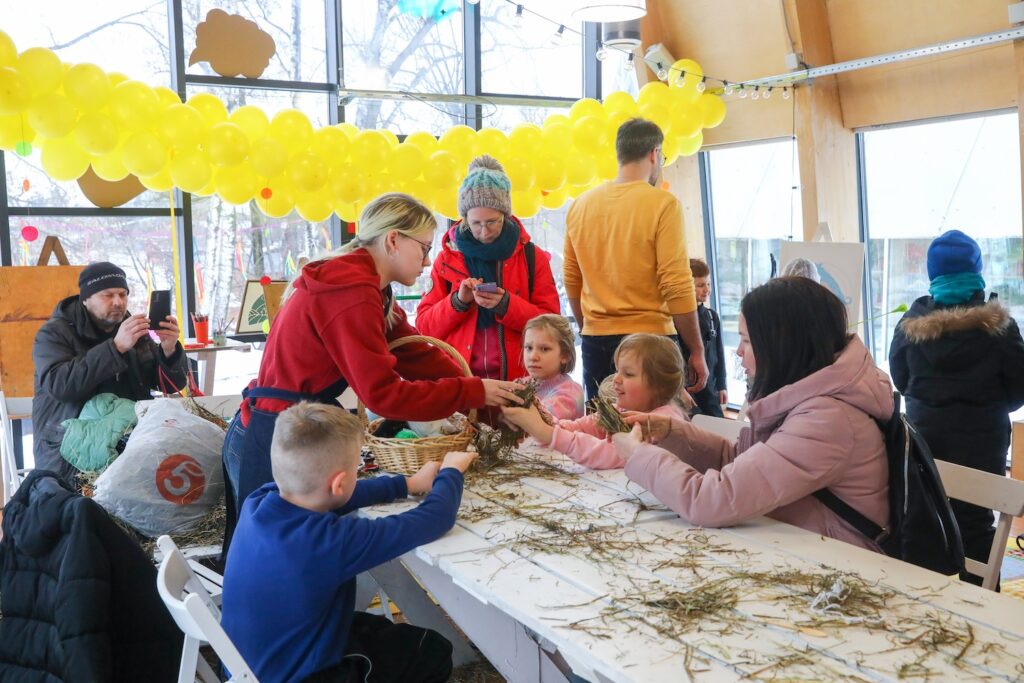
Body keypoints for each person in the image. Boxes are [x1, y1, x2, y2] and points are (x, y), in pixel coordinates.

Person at [222, 194, 523, 530]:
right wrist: (473, 393)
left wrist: (489, 407)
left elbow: (415, 355)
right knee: (277, 568)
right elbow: (384, 395)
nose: (427, 261)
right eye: (424, 248)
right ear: (393, 240)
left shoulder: (371, 288)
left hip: (292, 431)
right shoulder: (351, 291)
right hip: (275, 437)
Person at [613, 278, 893, 551]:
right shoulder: (805, 398)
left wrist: (639, 456)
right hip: (802, 546)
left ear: (780, 345)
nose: (738, 352)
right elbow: (739, 463)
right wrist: (671, 432)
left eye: (746, 341)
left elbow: (713, 501)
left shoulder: (827, 420)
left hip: (843, 562)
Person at [221, 402, 477, 683]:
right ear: (339, 483)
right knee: (432, 650)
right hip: (298, 676)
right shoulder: (328, 542)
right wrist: (452, 471)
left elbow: (339, 495)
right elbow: (435, 519)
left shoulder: (259, 502)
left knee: (380, 630)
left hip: (248, 664)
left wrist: (407, 484)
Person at [889, 229, 1024, 585]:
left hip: (925, 440)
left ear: (933, 276)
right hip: (983, 443)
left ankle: (932, 598)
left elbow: (901, 382)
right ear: (976, 273)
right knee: (978, 524)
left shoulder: (909, 327)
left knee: (927, 518)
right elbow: (1018, 392)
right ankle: (982, 607)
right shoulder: (1000, 328)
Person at [564, 117, 707, 401]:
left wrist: (589, 326)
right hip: (652, 342)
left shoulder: (581, 205)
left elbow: (571, 278)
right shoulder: (663, 204)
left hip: (596, 340)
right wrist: (697, 349)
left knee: (602, 432)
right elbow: (676, 284)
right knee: (655, 433)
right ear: (655, 154)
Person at [416, 155, 560, 424]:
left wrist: (507, 305)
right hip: (462, 391)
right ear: (464, 218)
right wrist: (457, 301)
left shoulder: (532, 257)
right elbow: (424, 328)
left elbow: (552, 325)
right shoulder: (447, 259)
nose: (484, 231)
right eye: (476, 223)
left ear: (505, 214)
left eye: (492, 222)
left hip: (519, 388)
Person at [32, 261, 187, 483]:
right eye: (108, 295)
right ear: (85, 298)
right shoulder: (53, 334)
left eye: (123, 294)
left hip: (128, 444)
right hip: (69, 448)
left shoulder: (130, 327)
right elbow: (60, 386)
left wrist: (169, 348)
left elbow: (168, 385)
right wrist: (115, 348)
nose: (118, 302)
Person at [502, 334, 689, 470]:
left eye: (628, 374)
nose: (615, 379)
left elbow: (609, 454)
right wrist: (540, 416)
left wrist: (549, 434)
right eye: (617, 370)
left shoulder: (663, 424)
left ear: (658, 385)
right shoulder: (621, 410)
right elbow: (580, 427)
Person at [680, 259, 727, 417]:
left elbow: (719, 354)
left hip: (711, 389)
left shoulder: (712, 317)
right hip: (689, 390)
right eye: (700, 285)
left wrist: (722, 385)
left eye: (708, 284)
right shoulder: (677, 321)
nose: (706, 289)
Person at [521, 314, 584, 420]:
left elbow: (539, 422)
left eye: (544, 349)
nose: (533, 357)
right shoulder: (522, 384)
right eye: (529, 348)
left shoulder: (571, 393)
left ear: (565, 355)